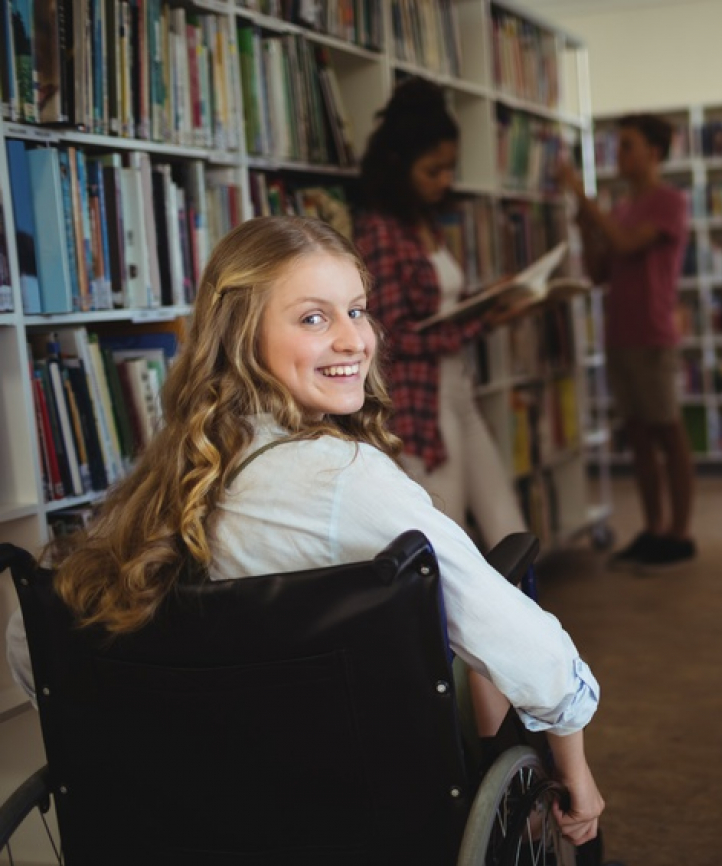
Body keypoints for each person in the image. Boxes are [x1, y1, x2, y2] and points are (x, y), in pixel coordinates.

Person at [4, 216, 605, 846]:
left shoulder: (155, 485)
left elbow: (30, 646)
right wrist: (578, 778)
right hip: (358, 807)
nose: (355, 340)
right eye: (314, 318)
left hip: (191, 818)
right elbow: (539, 662)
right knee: (484, 616)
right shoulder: (350, 483)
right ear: (242, 337)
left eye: (357, 310)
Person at [352, 77, 528, 551]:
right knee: (447, 530)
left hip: (459, 389)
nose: (445, 182)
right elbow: (391, 335)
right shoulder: (381, 234)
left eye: (450, 169)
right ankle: (451, 628)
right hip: (420, 403)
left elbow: (443, 305)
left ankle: (525, 617)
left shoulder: (424, 225)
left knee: (506, 518)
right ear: (398, 166)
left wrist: (491, 296)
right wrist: (484, 321)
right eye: (433, 171)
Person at [558, 115, 696, 573]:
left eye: (629, 147)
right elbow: (600, 270)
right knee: (638, 436)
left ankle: (679, 533)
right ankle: (654, 529)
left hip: (653, 333)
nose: (620, 156)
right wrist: (584, 222)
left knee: (667, 432)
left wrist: (583, 196)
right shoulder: (620, 207)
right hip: (620, 334)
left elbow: (626, 244)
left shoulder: (669, 202)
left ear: (655, 152)